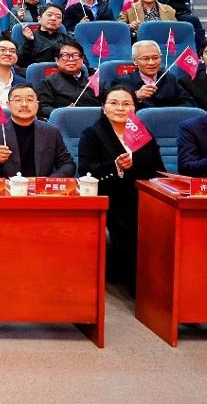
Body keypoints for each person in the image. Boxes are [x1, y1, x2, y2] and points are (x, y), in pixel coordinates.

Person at [78, 85, 164, 291]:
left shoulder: (143, 134)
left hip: (142, 196)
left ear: (135, 108)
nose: (120, 108)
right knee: (128, 224)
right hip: (110, 196)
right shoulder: (92, 134)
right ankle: (140, 286)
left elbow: (158, 171)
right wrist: (115, 166)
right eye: (114, 103)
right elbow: (86, 172)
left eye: (127, 104)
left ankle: (162, 282)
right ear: (103, 107)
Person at [0, 84, 75, 178]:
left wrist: (49, 181)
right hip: (8, 190)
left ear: (37, 104)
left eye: (30, 100)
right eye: (18, 100)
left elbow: (68, 164)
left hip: (41, 189)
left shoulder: (51, 132)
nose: (24, 104)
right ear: (8, 105)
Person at [117, 40, 195, 109]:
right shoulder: (124, 81)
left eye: (155, 58)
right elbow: (116, 107)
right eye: (145, 59)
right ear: (135, 61)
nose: (152, 63)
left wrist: (172, 113)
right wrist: (136, 96)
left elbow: (189, 103)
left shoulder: (169, 78)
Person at [36, 40, 102, 118]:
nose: (71, 59)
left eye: (76, 55)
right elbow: (42, 108)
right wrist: (61, 112)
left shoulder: (94, 81)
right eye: (65, 55)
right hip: (65, 121)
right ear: (57, 60)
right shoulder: (48, 82)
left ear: (82, 59)